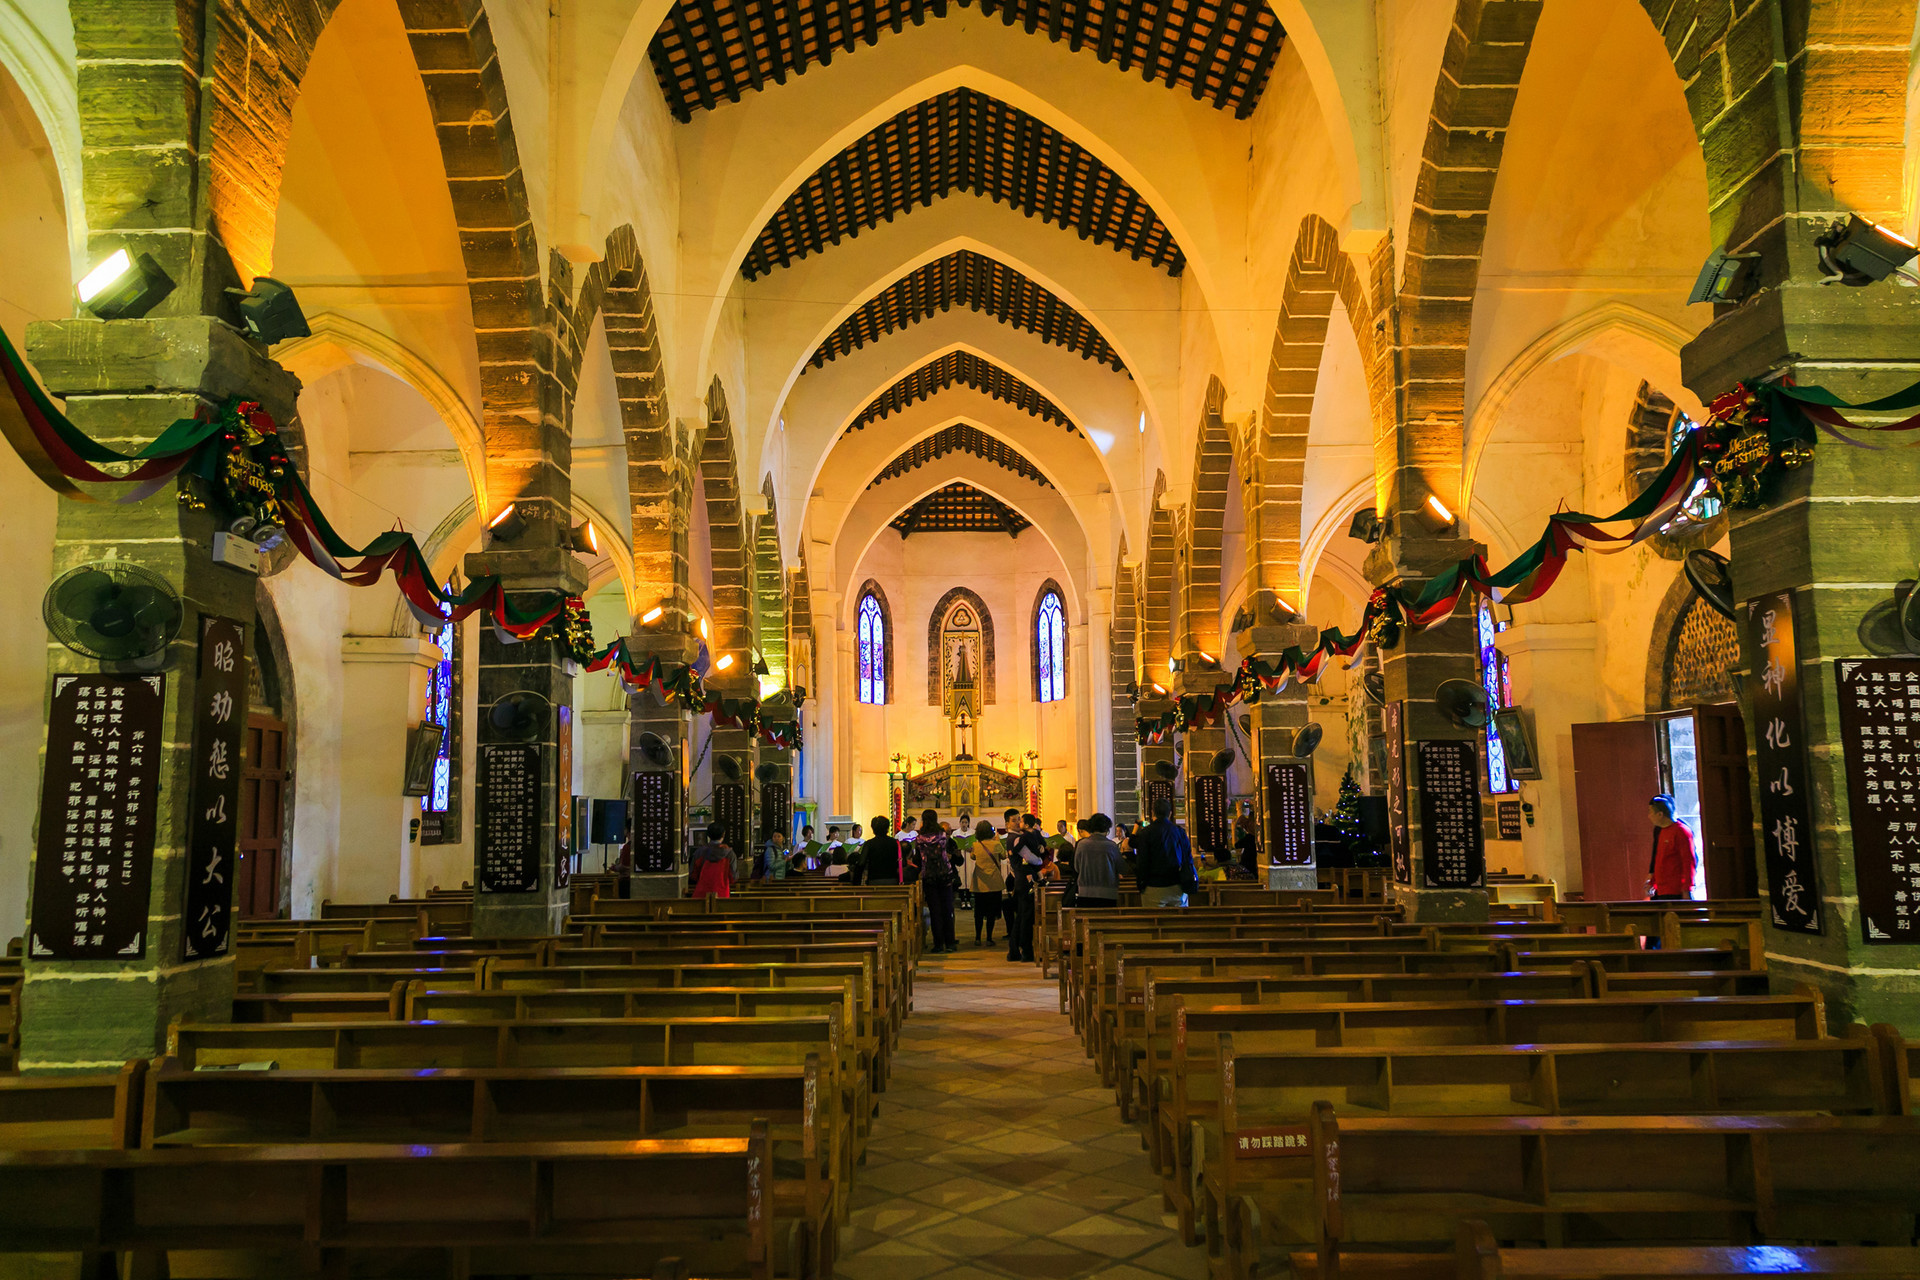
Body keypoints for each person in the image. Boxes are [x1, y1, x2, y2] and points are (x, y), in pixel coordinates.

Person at [1132, 798, 1198, 907]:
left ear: (1153, 813)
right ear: (1170, 813)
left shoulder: (1146, 832)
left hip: (1153, 885)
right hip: (1177, 885)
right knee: (1179, 922)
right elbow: (1187, 858)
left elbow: (1142, 860)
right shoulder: (1179, 831)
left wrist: (1141, 883)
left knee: (1154, 922)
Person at [917, 807, 960, 953]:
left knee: (935, 910)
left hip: (929, 875)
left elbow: (919, 859)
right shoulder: (942, 835)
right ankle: (950, 943)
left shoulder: (919, 838)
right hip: (944, 874)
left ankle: (938, 944)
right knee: (947, 909)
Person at [1646, 794, 1697, 901]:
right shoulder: (1660, 831)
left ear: (1660, 814)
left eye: (1650, 812)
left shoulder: (1681, 831)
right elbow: (1659, 859)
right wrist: (1652, 881)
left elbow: (1689, 863)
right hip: (1661, 889)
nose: (1648, 816)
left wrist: (1687, 890)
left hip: (1675, 891)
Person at [968, 820, 1007, 946]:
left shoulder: (976, 844)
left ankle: (977, 937)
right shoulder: (996, 844)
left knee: (978, 912)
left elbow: (973, 857)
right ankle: (989, 938)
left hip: (980, 881)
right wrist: (997, 839)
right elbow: (1004, 856)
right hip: (994, 882)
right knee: (991, 912)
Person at [1073, 813, 1123, 908]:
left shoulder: (1082, 845)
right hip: (1108, 893)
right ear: (1106, 829)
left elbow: (1077, 867)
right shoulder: (1111, 846)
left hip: (1085, 892)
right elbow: (1121, 868)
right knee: (1106, 921)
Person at [690, 824, 735, 899]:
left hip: (702, 893)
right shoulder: (729, 853)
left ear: (708, 835)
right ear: (723, 834)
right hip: (722, 893)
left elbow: (693, 874)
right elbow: (733, 876)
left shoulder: (700, 852)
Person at [862, 816, 908, 883]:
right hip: (892, 879)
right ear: (887, 828)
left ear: (873, 829)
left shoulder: (869, 844)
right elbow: (903, 863)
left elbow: (861, 862)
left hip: (874, 880)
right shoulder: (896, 843)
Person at [1234, 810, 1259, 878]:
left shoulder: (1250, 837)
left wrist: (1234, 827)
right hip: (1255, 866)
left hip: (1248, 866)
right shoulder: (1259, 835)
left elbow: (1236, 845)